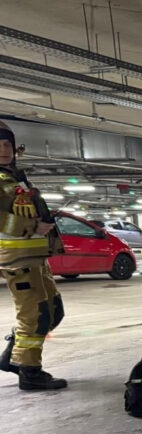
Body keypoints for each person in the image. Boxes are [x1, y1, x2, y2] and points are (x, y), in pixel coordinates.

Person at [0, 120, 67, 391]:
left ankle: (14, 357)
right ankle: (30, 372)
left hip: (35, 257)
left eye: (7, 145)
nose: (3, 150)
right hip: (17, 260)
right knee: (36, 314)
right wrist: (32, 226)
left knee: (54, 311)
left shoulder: (16, 177)